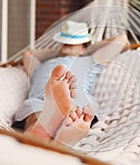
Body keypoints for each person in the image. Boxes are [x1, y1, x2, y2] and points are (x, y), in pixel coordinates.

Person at [13, 20, 127, 148]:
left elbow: (121, 39)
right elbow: (28, 54)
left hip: (76, 101)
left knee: (62, 112)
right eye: (64, 41)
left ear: (84, 47)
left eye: (73, 41)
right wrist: (61, 51)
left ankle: (58, 122)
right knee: (36, 116)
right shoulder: (41, 65)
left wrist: (86, 50)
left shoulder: (91, 60)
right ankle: (55, 132)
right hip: (40, 101)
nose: (66, 43)